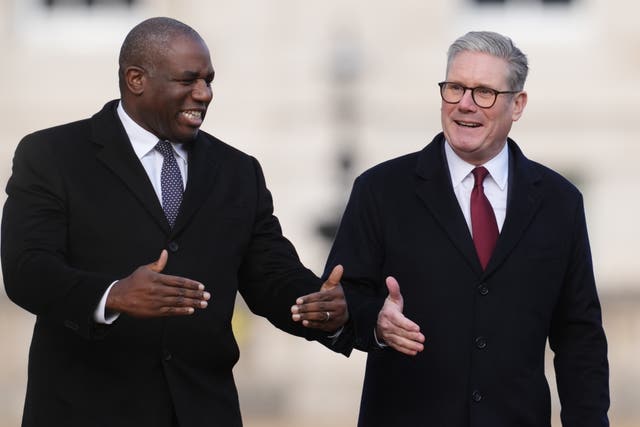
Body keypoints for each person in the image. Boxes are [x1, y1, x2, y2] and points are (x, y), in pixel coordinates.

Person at [1, 17, 349, 427]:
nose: (203, 94)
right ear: (136, 79)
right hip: (87, 411)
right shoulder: (53, 156)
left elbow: (270, 275)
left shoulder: (237, 172)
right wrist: (114, 295)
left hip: (202, 411)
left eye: (209, 80)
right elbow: (27, 271)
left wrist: (320, 306)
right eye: (188, 80)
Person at [318, 31, 610, 426]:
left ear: (518, 104)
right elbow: (340, 304)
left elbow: (580, 337)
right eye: (454, 88)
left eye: (484, 92)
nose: (465, 105)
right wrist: (375, 321)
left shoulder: (560, 202)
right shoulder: (380, 190)